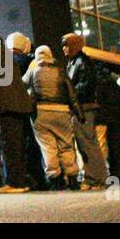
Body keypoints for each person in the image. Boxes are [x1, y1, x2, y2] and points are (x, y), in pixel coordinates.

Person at [23, 45, 82, 189]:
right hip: (62, 112)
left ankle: (55, 179)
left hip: (41, 113)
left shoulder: (32, 72)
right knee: (66, 144)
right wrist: (79, 112)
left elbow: (22, 85)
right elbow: (71, 93)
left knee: (48, 146)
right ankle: (72, 177)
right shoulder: (60, 71)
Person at [60, 33, 109, 189]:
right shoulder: (75, 61)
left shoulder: (82, 62)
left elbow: (85, 86)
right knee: (87, 144)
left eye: (66, 45)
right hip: (82, 108)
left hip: (84, 109)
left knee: (88, 144)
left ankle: (96, 179)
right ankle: (95, 177)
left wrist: (70, 93)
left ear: (74, 45)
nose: (64, 49)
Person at [0, 31, 33, 193]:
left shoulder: (1, 62)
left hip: (8, 106)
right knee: (21, 144)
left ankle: (14, 182)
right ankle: (23, 179)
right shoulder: (26, 61)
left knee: (9, 144)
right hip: (24, 106)